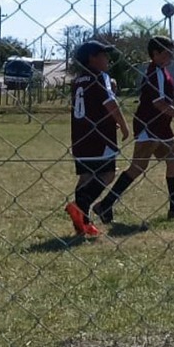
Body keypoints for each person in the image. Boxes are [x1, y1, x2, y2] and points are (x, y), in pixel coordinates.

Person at [94, 35, 174, 223]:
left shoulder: (162, 71)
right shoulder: (155, 73)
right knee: (137, 167)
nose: (172, 56)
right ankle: (105, 204)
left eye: (172, 52)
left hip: (162, 126)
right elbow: (159, 104)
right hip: (149, 126)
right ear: (156, 53)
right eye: (168, 52)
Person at [66, 40, 130, 237]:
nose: (108, 59)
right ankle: (81, 206)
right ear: (92, 58)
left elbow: (91, 106)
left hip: (80, 135)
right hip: (100, 137)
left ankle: (82, 224)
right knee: (108, 173)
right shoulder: (100, 76)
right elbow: (109, 103)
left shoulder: (77, 80)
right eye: (104, 55)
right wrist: (125, 125)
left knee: (85, 177)